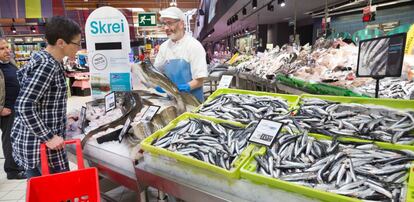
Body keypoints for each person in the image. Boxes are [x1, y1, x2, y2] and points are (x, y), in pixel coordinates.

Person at [11, 16, 81, 179]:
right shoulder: (47, 65)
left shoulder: (44, 58)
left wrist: (62, 118)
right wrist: (48, 137)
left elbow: (41, 101)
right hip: (40, 148)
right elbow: (24, 105)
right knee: (56, 192)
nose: (78, 48)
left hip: (36, 143)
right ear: (61, 42)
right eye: (77, 43)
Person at [154, 7, 208, 102]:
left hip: (193, 101)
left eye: (169, 23)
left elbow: (200, 80)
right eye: (164, 24)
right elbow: (157, 70)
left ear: (181, 24)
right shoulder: (164, 47)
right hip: (172, 100)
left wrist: (186, 87)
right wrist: (158, 84)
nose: (166, 28)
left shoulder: (194, 46)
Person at [0, 37, 26, 180]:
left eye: (7, 47)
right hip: (7, 110)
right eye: (2, 48)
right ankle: (12, 171)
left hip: (16, 108)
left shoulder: (9, 63)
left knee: (16, 138)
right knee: (9, 140)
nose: (6, 50)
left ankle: (18, 164)